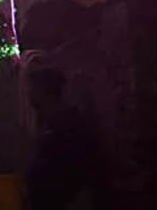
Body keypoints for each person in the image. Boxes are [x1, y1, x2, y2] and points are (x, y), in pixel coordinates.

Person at [24, 66, 103, 210]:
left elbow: (79, 168)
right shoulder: (48, 120)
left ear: (43, 89)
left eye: (31, 88)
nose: (28, 93)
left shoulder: (68, 121)